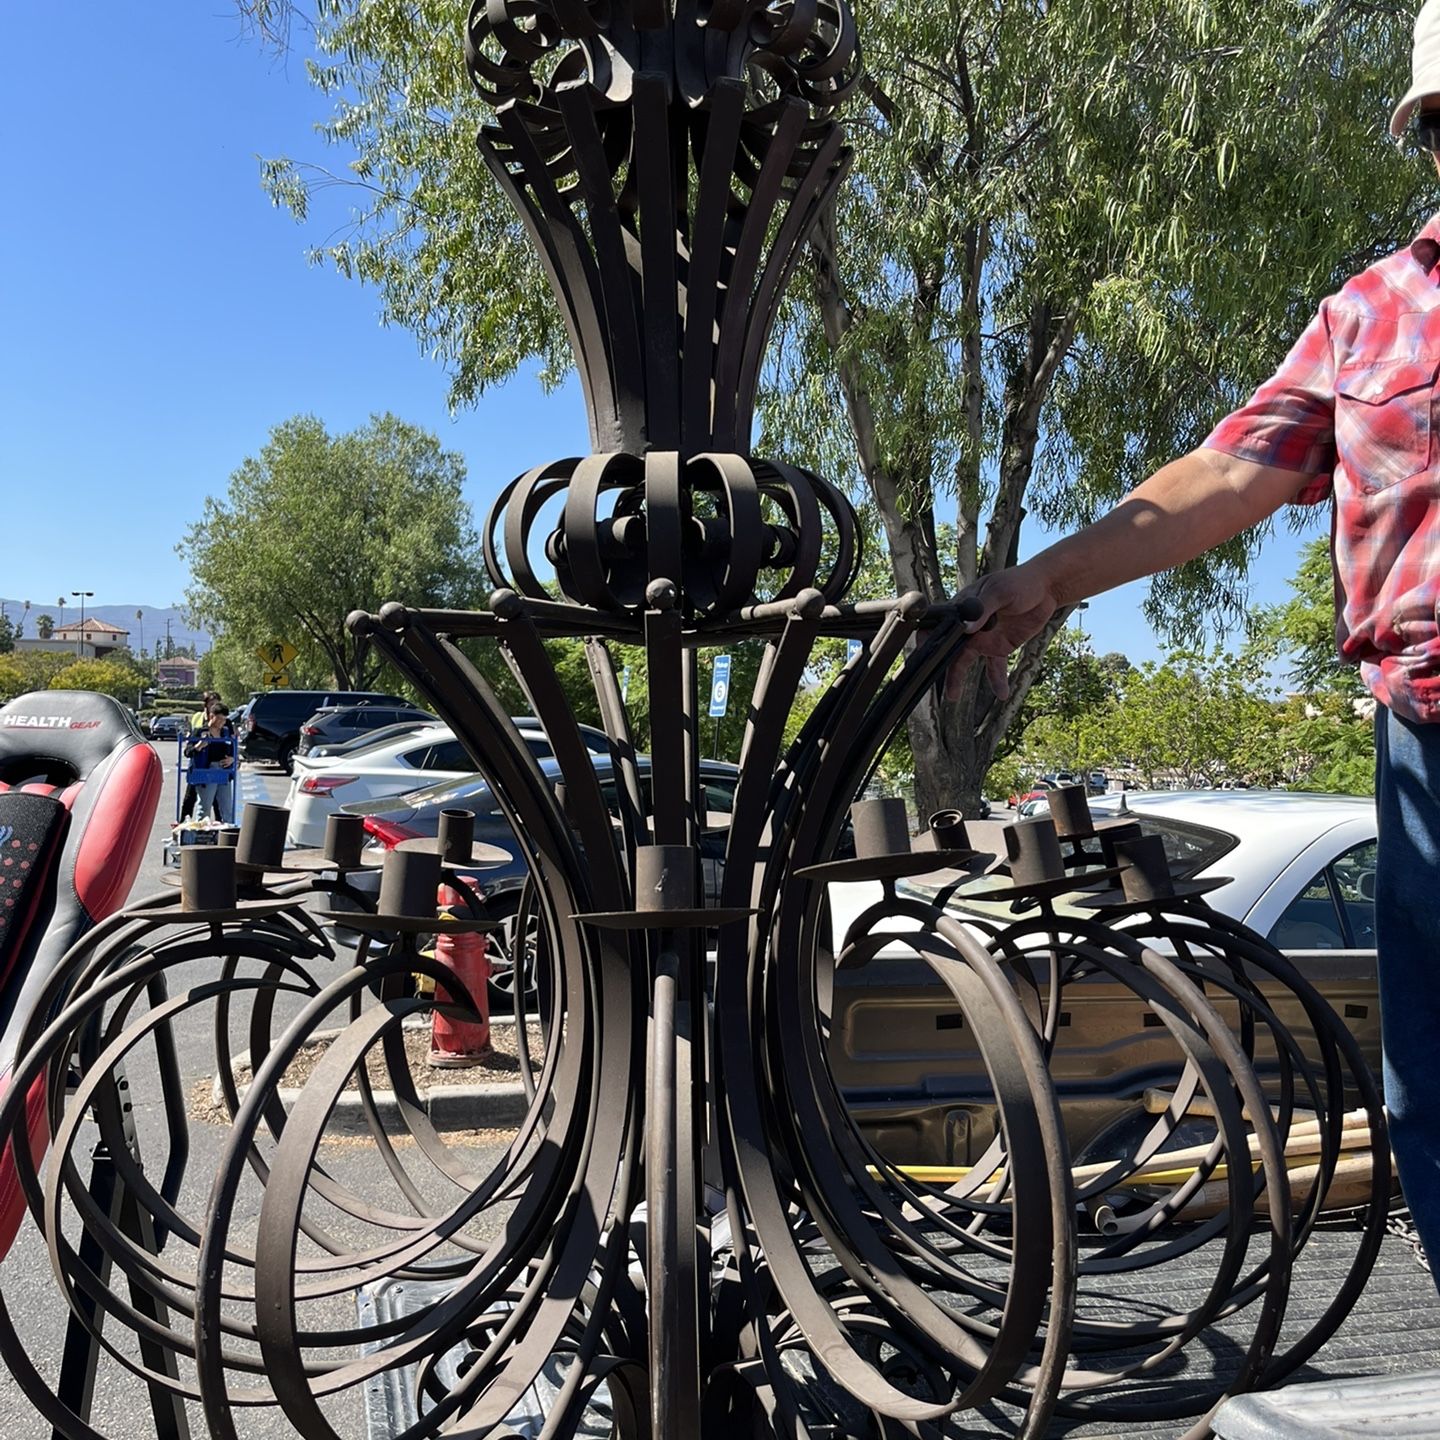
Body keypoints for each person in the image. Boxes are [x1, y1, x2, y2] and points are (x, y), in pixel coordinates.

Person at [947, 0, 1440, 1275]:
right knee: (1432, 1098)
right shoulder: (1372, 314)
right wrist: (1047, 579)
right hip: (1427, 743)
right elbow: (1228, 474)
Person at [186, 703, 235, 825]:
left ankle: (228, 834)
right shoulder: (200, 731)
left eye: (224, 720)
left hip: (224, 771)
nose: (221, 723)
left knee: (227, 807)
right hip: (206, 772)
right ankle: (200, 833)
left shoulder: (225, 732)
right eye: (218, 719)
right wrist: (198, 746)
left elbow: (234, 751)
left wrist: (232, 759)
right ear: (211, 716)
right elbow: (187, 751)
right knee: (205, 806)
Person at [179, 692, 221, 822]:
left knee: (216, 801)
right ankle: (182, 829)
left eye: (216, 704)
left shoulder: (224, 724)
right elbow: (188, 749)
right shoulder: (198, 719)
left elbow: (230, 747)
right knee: (189, 799)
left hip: (214, 768)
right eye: (211, 704)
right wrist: (197, 746)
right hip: (198, 767)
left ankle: (220, 832)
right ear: (206, 705)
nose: (214, 707)